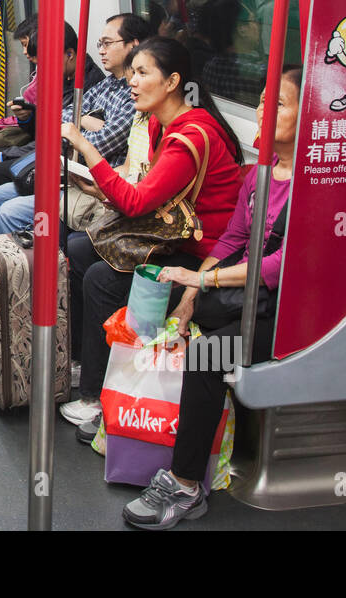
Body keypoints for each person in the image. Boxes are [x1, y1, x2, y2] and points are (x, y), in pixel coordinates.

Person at [122, 67, 302, 529]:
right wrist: (187, 296)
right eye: (261, 101)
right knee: (177, 314)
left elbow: (279, 267)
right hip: (251, 301)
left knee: (205, 356)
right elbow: (231, 242)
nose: (262, 111)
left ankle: (184, 486)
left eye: (277, 104)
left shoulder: (312, 185)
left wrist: (203, 283)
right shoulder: (261, 175)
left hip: (290, 316)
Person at [57, 36, 245, 426]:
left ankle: (97, 394)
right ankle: (87, 359)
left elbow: (138, 203)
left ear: (173, 81)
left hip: (201, 252)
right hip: (172, 236)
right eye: (133, 72)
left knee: (101, 278)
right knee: (77, 249)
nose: (132, 81)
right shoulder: (163, 124)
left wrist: (86, 149)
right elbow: (147, 194)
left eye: (143, 73)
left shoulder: (189, 136)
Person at [0, 20, 108, 264]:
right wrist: (27, 118)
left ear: (70, 54)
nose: (37, 63)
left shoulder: (88, 86)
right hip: (36, 145)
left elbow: (59, 133)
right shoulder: (57, 76)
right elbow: (45, 127)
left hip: (50, 156)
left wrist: (7, 154)